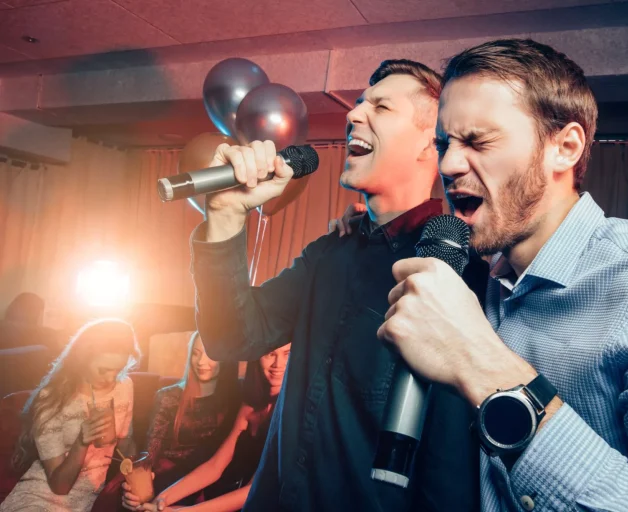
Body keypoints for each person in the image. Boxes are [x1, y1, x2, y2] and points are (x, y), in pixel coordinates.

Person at [370, 38, 628, 511]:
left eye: (478, 141)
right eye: (444, 143)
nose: (450, 165)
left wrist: (486, 368)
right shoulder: (481, 278)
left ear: (565, 147)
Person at [191, 60, 480, 511]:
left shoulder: (455, 270)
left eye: (381, 106)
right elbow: (231, 336)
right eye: (360, 103)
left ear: (431, 141)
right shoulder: (329, 253)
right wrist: (227, 216)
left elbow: (449, 474)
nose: (353, 114)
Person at [123, 345, 291, 512]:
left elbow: (255, 489)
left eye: (287, 354)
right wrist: (161, 499)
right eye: (270, 354)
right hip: (226, 492)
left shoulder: (292, 412)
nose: (278, 364)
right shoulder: (249, 405)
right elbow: (215, 466)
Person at [1, 318, 139, 512]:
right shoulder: (51, 400)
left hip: (88, 499)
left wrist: (140, 470)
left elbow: (126, 446)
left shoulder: (125, 387)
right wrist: (81, 443)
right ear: (83, 359)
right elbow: (59, 487)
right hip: (40, 496)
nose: (110, 379)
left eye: (117, 370)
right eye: (104, 370)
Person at [140, 332, 240, 503]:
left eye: (210, 354)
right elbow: (151, 450)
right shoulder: (169, 396)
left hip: (214, 484)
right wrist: (142, 485)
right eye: (196, 353)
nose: (201, 362)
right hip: (168, 480)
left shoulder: (236, 399)